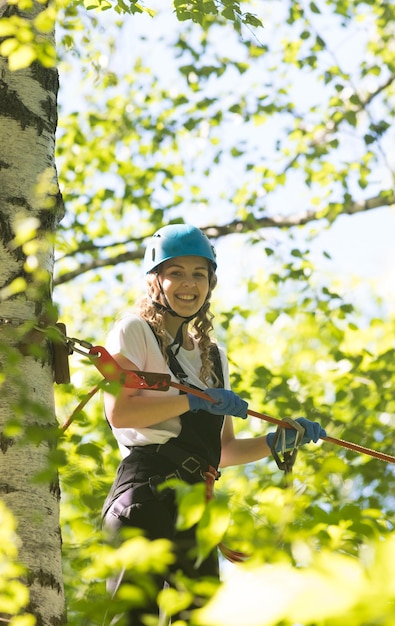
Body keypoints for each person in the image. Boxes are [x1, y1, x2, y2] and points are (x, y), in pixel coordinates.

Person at [101, 224, 326, 625]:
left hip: (195, 504)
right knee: (134, 619)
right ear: (156, 280)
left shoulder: (212, 358)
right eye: (177, 273)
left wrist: (275, 441)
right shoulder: (133, 331)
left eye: (199, 274)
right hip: (144, 492)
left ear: (211, 283)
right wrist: (191, 400)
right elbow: (122, 412)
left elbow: (223, 450)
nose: (189, 284)